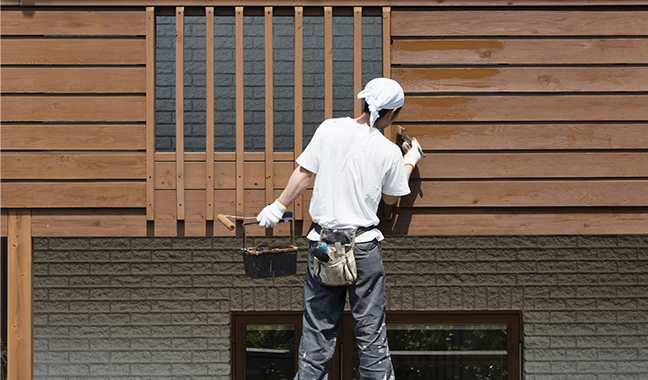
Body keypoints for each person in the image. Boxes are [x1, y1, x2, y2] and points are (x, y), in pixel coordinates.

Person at [256, 78, 424, 380]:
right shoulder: (387, 151)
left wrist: (278, 206)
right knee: (370, 332)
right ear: (393, 112)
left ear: (363, 101)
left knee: (318, 330)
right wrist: (408, 161)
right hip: (363, 247)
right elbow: (390, 196)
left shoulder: (329, 128)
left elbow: (305, 173)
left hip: (323, 245)